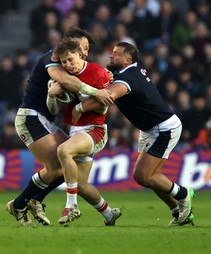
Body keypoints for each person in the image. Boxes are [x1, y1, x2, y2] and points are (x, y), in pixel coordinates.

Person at [72, 42, 195, 226]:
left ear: (128, 59)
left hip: (164, 128)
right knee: (152, 177)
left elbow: (108, 96)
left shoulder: (128, 78)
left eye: (116, 54)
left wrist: (80, 107)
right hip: (150, 128)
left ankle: (184, 194)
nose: (111, 56)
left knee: (143, 176)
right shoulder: (129, 72)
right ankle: (178, 212)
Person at [5, 27, 114, 226]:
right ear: (69, 44)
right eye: (81, 46)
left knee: (66, 164)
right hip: (31, 116)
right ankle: (20, 204)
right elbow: (64, 82)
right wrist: (95, 92)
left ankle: (34, 199)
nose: (84, 52)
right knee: (57, 166)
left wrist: (105, 78)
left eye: (86, 49)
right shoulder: (53, 58)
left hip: (46, 119)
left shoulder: (77, 68)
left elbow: (64, 97)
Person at [46, 39, 121, 226]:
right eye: (63, 62)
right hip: (75, 130)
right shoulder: (62, 77)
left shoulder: (98, 73)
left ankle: (71, 207)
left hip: (94, 130)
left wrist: (80, 106)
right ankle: (109, 214)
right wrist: (51, 95)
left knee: (64, 151)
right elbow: (53, 110)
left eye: (70, 60)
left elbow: (104, 106)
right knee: (81, 185)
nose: (68, 65)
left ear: (80, 54)